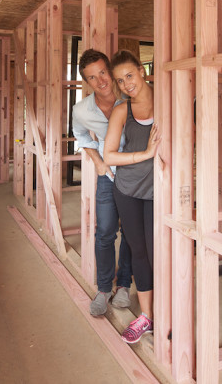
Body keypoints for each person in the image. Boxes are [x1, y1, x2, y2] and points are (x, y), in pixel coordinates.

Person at [103, 50, 161, 344]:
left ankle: (167, 312)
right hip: (127, 190)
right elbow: (109, 155)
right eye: (120, 80)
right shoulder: (122, 110)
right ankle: (147, 317)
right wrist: (146, 154)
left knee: (158, 252)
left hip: (157, 193)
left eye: (130, 76)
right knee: (139, 253)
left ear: (142, 70)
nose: (126, 84)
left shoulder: (167, 101)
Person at [72, 49, 133, 316]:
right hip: (108, 177)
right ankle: (104, 288)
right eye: (92, 78)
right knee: (105, 232)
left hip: (135, 175)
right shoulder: (81, 110)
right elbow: (81, 136)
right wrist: (97, 162)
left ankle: (124, 286)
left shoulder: (133, 96)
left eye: (103, 73)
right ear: (87, 82)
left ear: (110, 70)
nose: (101, 81)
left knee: (132, 234)